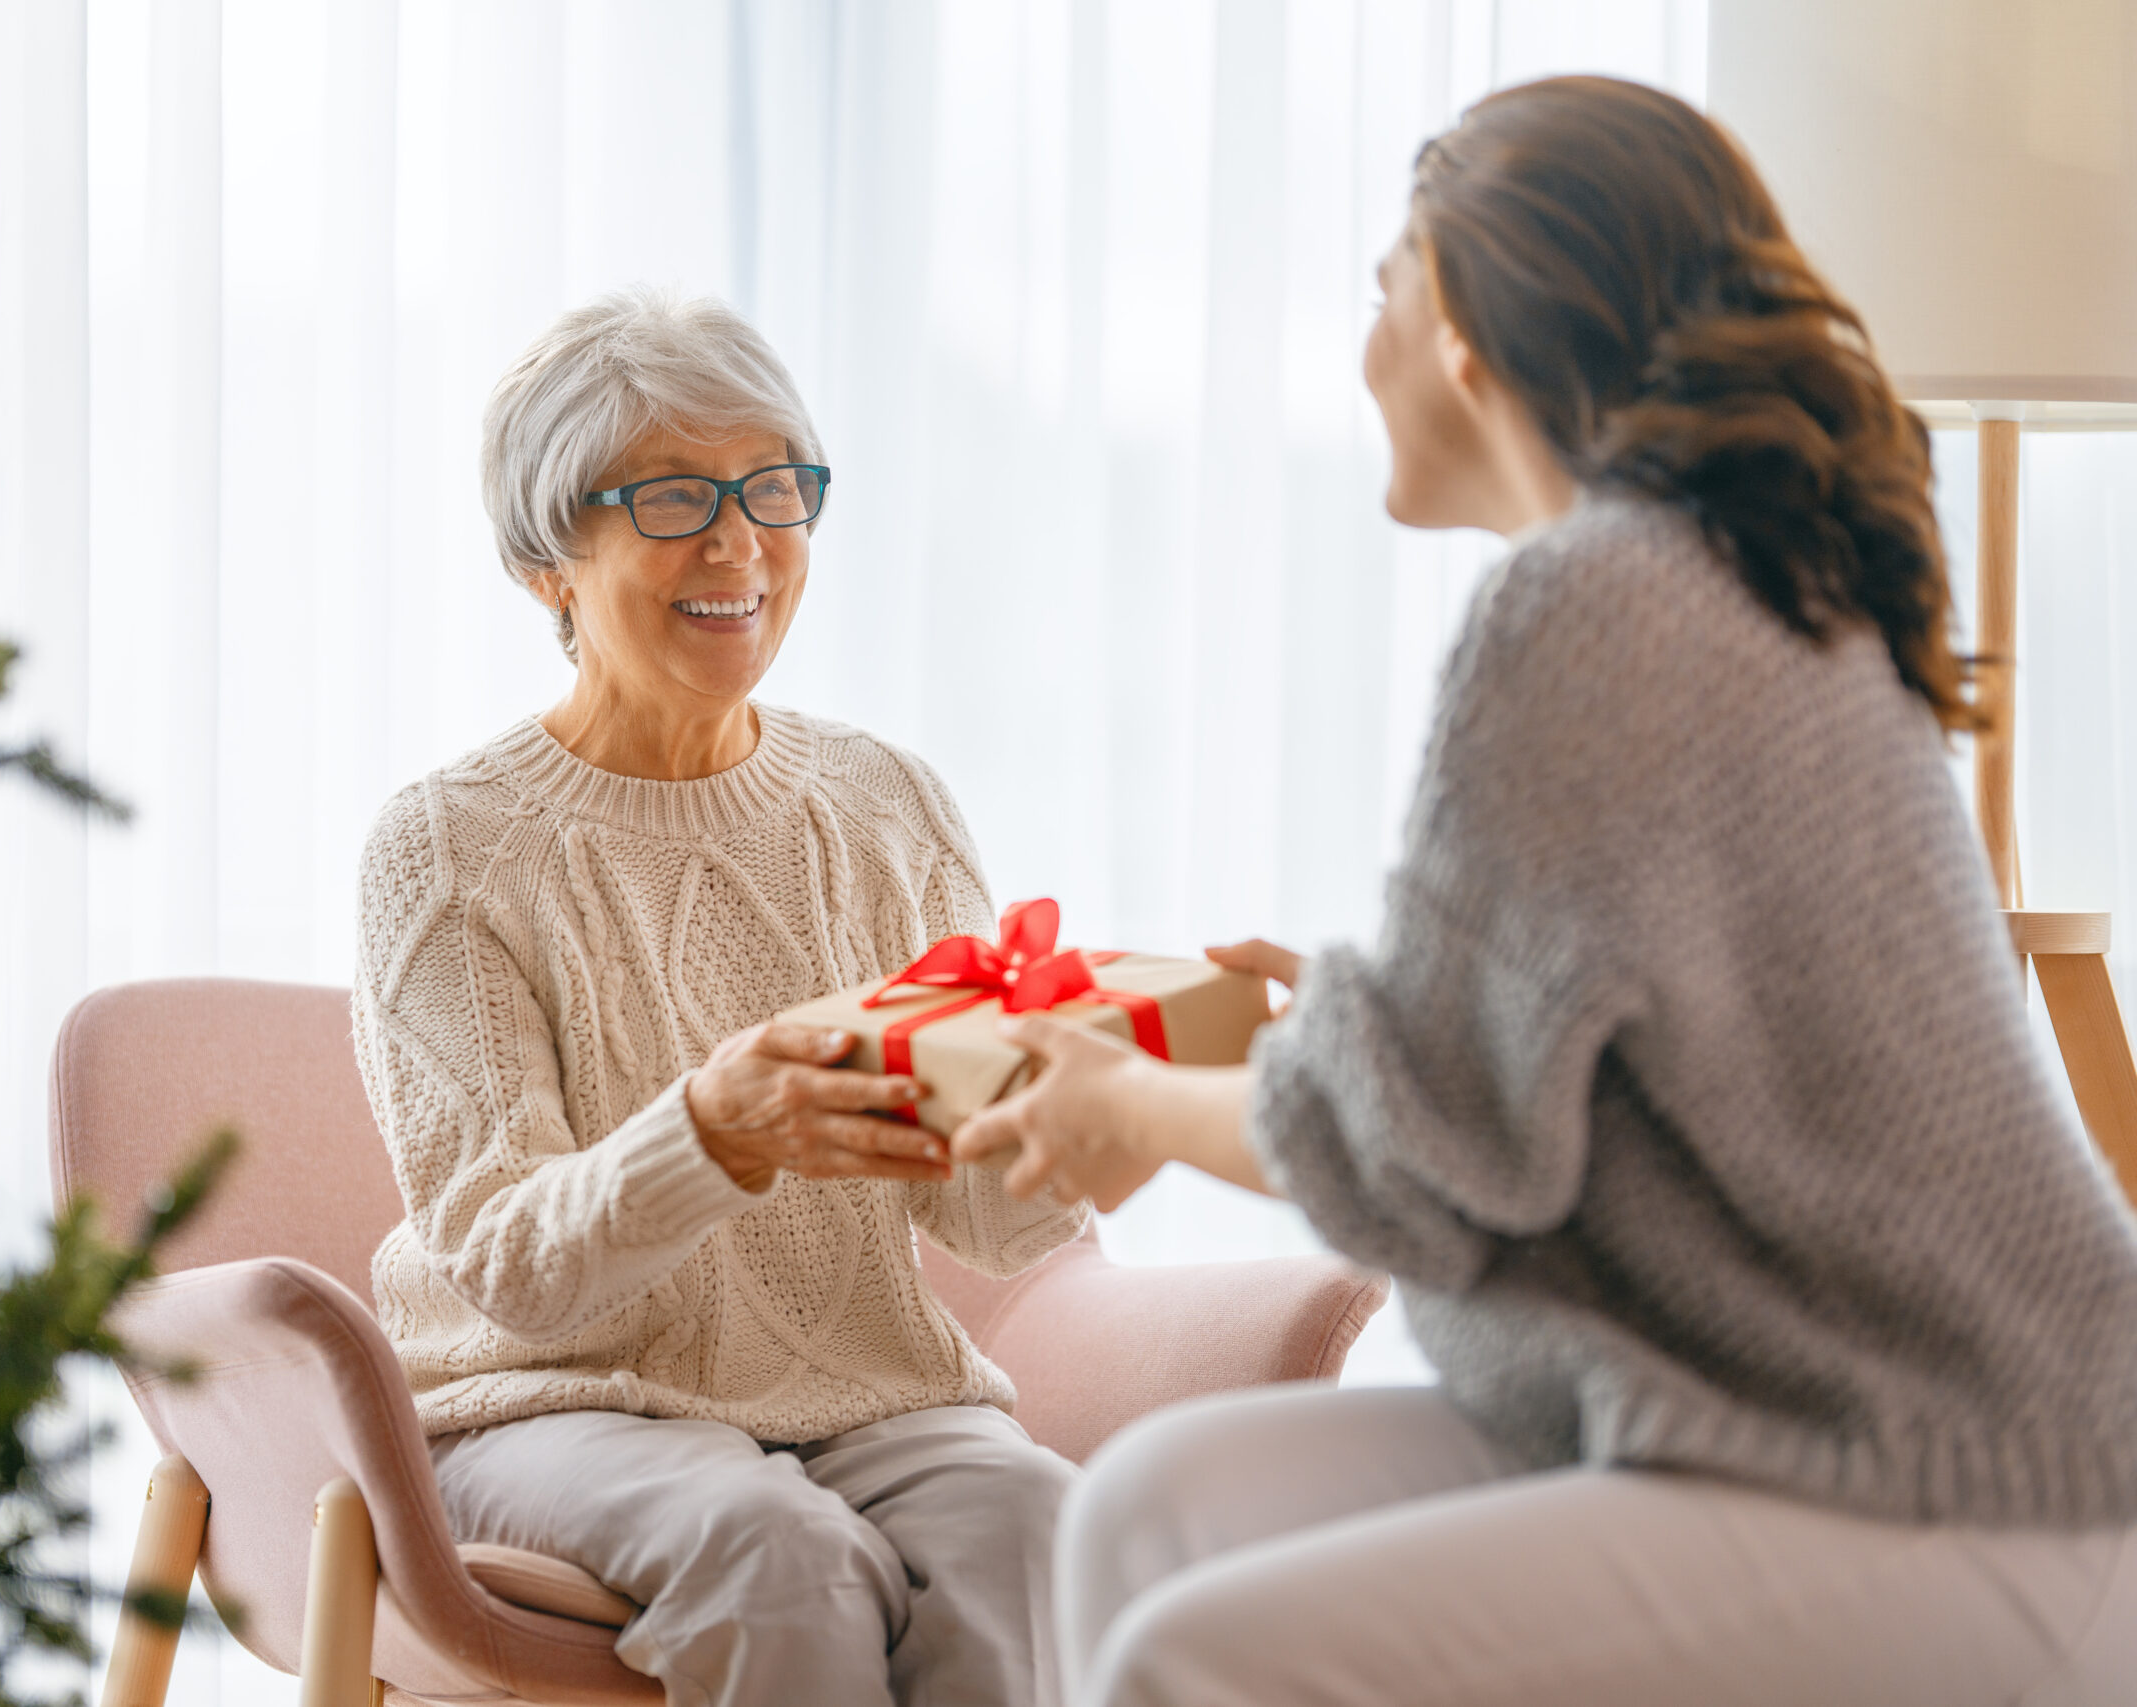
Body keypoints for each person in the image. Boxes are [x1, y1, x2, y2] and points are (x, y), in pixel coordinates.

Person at [953, 76, 2137, 1706]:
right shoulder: (1727, 579)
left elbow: (1427, 1154)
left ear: (1462, 326)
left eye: (1382, 285)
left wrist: (1138, 1108)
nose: (1358, 348)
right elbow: (1531, 1077)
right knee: (1143, 1522)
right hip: (1803, 1413)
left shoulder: (1592, 606)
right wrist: (1334, 1033)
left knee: (1188, 1651)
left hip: (1958, 1471)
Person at [353, 286, 1086, 1707]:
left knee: (1043, 1530)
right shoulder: (445, 848)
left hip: (873, 1395)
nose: (741, 541)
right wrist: (716, 1131)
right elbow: (509, 1267)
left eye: (775, 488)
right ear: (547, 564)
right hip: (544, 1406)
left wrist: (1073, 1107)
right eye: (679, 494)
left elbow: (994, 1229)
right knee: (776, 1556)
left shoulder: (887, 804)